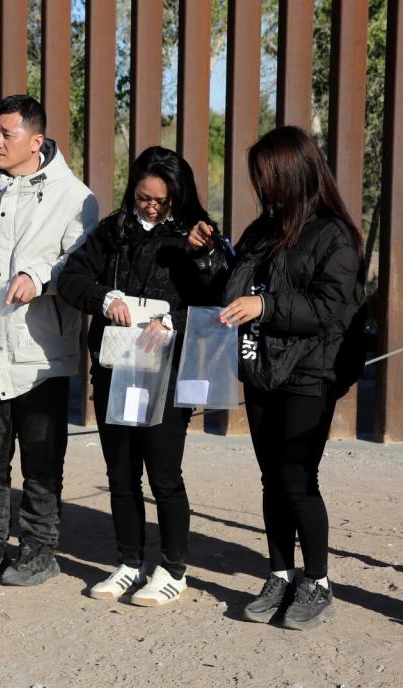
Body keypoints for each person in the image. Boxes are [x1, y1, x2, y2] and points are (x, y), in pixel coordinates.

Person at [189, 126, 365, 630]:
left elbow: (330, 308)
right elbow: (231, 287)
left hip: (311, 370)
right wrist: (210, 252)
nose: (262, 186)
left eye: (268, 176)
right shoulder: (263, 229)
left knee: (297, 476)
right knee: (271, 478)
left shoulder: (335, 235)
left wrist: (264, 305)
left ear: (295, 172)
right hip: (261, 366)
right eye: (258, 177)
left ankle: (318, 581)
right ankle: (280, 573)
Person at [0, 95, 99, 586]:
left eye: (7, 134)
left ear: (36, 141)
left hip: (39, 349)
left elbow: (78, 260)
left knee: (41, 453)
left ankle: (38, 547)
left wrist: (38, 275)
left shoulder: (75, 197)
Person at [57, 146, 216, 605]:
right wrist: (105, 299)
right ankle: (128, 562)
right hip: (116, 366)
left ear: (177, 197)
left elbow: (216, 299)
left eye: (160, 201)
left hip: (166, 371)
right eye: (143, 197)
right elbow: (72, 278)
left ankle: (173, 568)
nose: (150, 207)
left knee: (164, 472)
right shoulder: (114, 230)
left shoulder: (197, 235)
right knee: (120, 472)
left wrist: (173, 320)